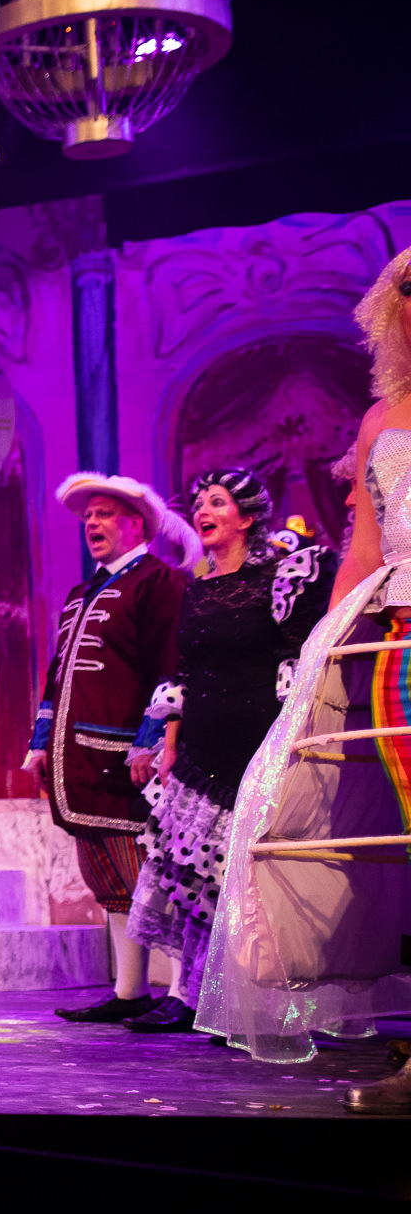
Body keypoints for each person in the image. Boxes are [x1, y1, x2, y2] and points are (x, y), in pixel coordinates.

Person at [198, 250, 411, 1090]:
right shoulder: (380, 418)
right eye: (406, 291)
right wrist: (325, 641)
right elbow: (364, 549)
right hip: (397, 643)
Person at [116, 469, 335, 1033]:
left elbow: (301, 661)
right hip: (202, 746)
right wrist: (167, 744)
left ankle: (253, 1005)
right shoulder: (198, 588)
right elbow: (185, 670)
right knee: (193, 881)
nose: (202, 511)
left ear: (248, 517)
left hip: (258, 743)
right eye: (199, 503)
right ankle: (190, 997)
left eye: (217, 502)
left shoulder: (281, 578)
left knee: (252, 883)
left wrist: (293, 742)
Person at [24, 472, 191, 1024]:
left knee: (154, 878)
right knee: (113, 883)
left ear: (136, 525)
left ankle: (183, 993)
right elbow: (58, 677)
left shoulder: (158, 582)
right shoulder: (81, 594)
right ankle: (130, 991)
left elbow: (170, 666)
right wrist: (41, 744)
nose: (91, 524)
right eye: (88, 517)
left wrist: (151, 742)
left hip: (126, 761)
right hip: (80, 760)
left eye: (104, 515)